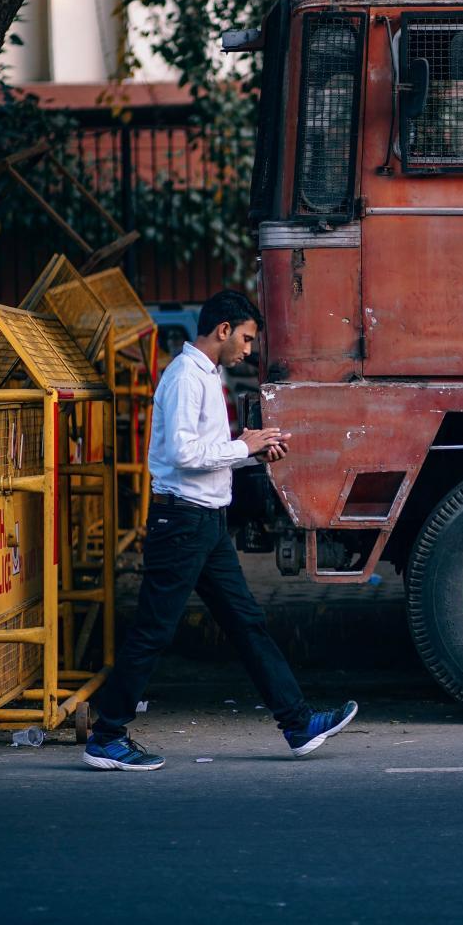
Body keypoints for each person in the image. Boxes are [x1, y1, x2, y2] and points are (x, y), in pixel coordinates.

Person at [83, 289, 357, 770]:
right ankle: (106, 736)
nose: (249, 350)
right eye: (247, 339)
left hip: (205, 523)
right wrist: (242, 447)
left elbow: (208, 449)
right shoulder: (187, 377)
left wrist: (251, 449)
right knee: (152, 630)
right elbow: (184, 455)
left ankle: (296, 724)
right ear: (223, 330)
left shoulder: (207, 375)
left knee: (247, 624)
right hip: (182, 521)